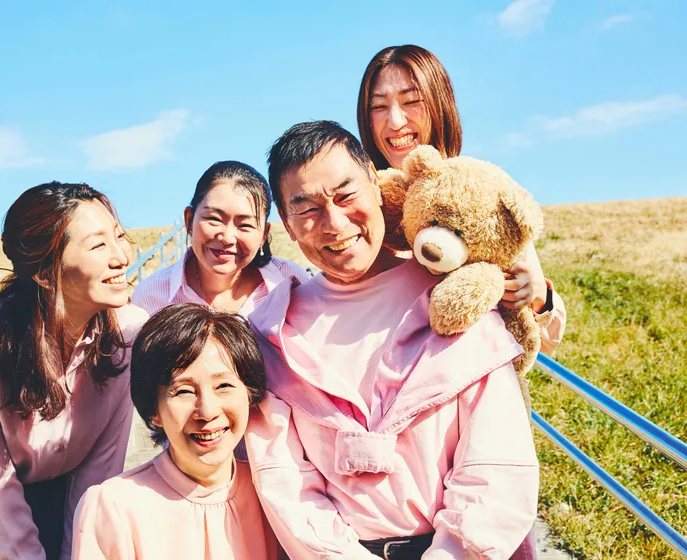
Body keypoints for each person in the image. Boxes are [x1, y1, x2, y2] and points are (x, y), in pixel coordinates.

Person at [244, 121, 538, 559]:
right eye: (306, 209)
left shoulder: (454, 295)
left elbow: (496, 463)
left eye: (346, 195)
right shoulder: (273, 332)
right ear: (286, 223)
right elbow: (284, 479)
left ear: (376, 185)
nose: (334, 223)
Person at [0, 182, 148, 560]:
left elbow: (100, 471)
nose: (121, 256)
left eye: (119, 236)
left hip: (62, 485)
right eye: (98, 245)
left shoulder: (130, 332)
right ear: (44, 272)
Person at [357, 44, 566, 354]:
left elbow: (547, 342)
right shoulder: (359, 204)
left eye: (411, 101)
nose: (396, 121)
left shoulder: (483, 194)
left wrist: (537, 297)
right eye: (379, 106)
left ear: (440, 105)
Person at [72, 303, 284, 559]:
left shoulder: (277, 493)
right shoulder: (113, 507)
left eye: (224, 386)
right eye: (183, 391)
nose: (207, 411)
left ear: (250, 393)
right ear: (154, 409)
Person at [131, 160, 309, 319]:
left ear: (264, 234)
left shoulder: (292, 283)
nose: (227, 238)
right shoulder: (150, 298)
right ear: (189, 219)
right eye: (214, 219)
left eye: (245, 225)